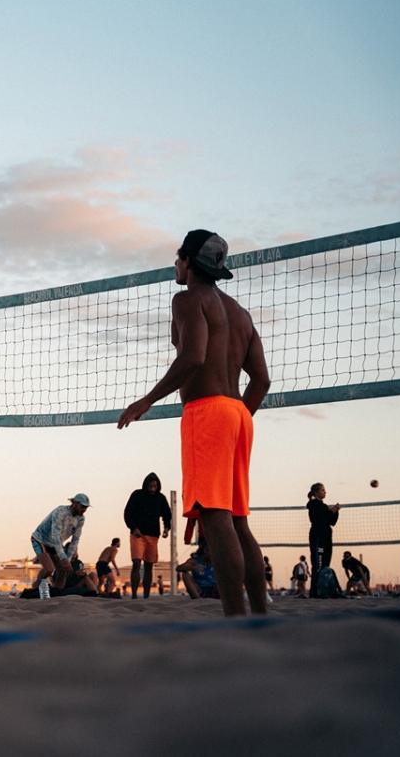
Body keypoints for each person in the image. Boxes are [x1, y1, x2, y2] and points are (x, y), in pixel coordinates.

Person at [118, 229, 270, 617]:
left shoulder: (188, 299)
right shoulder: (240, 313)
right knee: (239, 520)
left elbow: (194, 357)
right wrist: (234, 422)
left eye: (177, 257)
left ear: (187, 261)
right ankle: (260, 616)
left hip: (208, 412)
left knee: (217, 521)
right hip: (238, 414)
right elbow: (262, 381)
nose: (174, 264)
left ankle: (236, 619)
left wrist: (147, 400)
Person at [123, 472, 173, 599]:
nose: (152, 489)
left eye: (154, 486)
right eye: (150, 486)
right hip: (138, 534)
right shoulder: (137, 495)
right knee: (136, 563)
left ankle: (146, 595)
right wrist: (133, 528)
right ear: (146, 486)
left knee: (149, 565)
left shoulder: (160, 498)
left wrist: (167, 527)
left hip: (153, 535)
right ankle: (134, 595)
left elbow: (167, 514)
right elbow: (128, 512)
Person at [30, 495, 90, 599]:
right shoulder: (60, 512)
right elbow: (55, 536)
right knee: (49, 569)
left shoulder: (80, 519)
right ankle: (35, 586)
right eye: (82, 506)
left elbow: (75, 540)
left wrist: (68, 559)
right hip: (41, 540)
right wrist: (63, 558)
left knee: (64, 570)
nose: (84, 510)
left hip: (55, 543)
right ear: (74, 503)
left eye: (86, 507)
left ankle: (56, 594)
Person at [306, 482, 340, 598]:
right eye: (322, 490)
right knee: (318, 565)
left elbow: (332, 522)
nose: (324, 492)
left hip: (327, 537)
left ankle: (323, 590)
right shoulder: (313, 505)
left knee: (326, 565)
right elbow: (320, 520)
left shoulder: (324, 506)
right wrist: (331, 511)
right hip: (318, 537)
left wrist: (336, 511)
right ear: (316, 492)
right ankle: (314, 592)